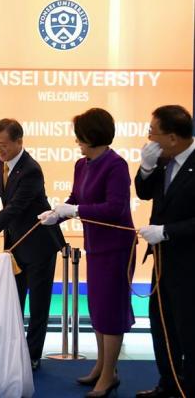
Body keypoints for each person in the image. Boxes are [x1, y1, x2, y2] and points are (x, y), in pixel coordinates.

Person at [38, 108, 135, 397]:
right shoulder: (82, 164)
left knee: (111, 311)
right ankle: (102, 367)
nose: (77, 142)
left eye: (80, 136)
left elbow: (115, 209)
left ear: (93, 136)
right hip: (96, 245)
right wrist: (58, 213)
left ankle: (108, 376)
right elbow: (75, 199)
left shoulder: (116, 165)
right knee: (97, 308)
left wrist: (77, 210)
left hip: (117, 247)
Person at [0, 118, 65, 371]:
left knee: (39, 304)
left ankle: (32, 356)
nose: (0, 150)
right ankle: (12, 352)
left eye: (5, 145)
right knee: (13, 300)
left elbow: (15, 207)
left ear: (19, 141)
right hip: (15, 244)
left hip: (39, 243)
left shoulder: (31, 169)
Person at [134, 105, 195, 398]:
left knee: (188, 329)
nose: (149, 139)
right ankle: (168, 383)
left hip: (189, 263)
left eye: (152, 133)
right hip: (162, 262)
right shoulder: (162, 160)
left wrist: (167, 231)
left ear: (172, 137)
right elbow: (144, 193)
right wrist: (145, 168)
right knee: (161, 324)